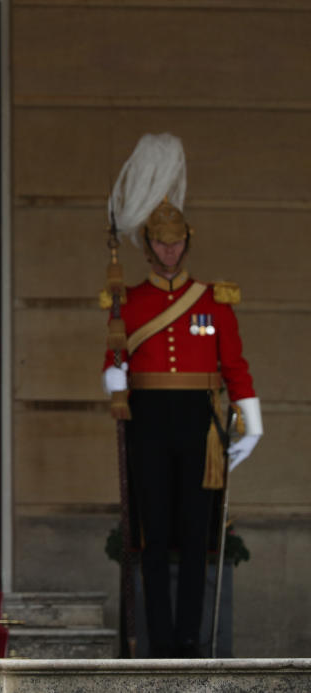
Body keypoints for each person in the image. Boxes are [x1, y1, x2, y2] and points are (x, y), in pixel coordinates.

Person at [102, 134, 262, 658]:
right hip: (147, 418)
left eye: (176, 243)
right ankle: (160, 639)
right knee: (153, 533)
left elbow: (234, 365)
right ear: (147, 245)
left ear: (186, 242)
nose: (169, 251)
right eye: (160, 243)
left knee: (196, 534)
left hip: (199, 422)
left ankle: (192, 637)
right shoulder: (128, 299)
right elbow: (115, 358)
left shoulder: (214, 300)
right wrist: (115, 382)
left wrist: (251, 421)